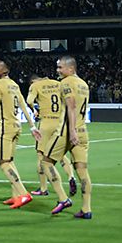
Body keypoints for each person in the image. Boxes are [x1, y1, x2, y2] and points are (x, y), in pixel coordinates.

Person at [43, 56, 93, 219]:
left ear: (71, 69)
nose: (57, 71)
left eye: (60, 68)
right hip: (83, 131)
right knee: (82, 171)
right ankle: (86, 209)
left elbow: (71, 105)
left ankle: (63, 199)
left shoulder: (66, 82)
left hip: (66, 131)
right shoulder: (84, 85)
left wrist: (71, 131)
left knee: (46, 162)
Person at [0, 59, 41, 209]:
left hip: (5, 127)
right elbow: (24, 106)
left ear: (5, 70)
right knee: (10, 161)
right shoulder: (14, 85)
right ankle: (16, 196)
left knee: (3, 163)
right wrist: (32, 127)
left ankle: (23, 193)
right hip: (16, 126)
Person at [27, 74, 77, 197]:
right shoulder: (58, 84)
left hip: (46, 123)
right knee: (59, 155)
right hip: (59, 123)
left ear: (32, 81)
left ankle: (43, 188)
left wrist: (35, 109)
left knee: (41, 155)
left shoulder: (35, 85)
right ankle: (71, 177)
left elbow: (29, 101)